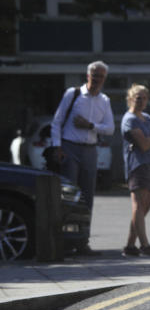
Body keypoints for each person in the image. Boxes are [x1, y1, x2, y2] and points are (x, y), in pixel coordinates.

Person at [49, 61, 115, 256]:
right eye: (94, 75)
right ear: (88, 76)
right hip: (70, 148)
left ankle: (82, 241)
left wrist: (90, 125)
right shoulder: (73, 94)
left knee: (87, 198)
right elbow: (57, 122)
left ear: (104, 79)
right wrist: (57, 147)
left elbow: (110, 128)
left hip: (90, 151)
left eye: (100, 76)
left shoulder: (104, 100)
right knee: (69, 195)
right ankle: (65, 241)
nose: (96, 80)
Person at [121, 84, 150, 257]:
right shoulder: (129, 119)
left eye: (144, 98)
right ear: (130, 98)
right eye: (137, 97)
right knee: (138, 205)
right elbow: (144, 145)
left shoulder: (147, 118)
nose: (140, 101)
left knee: (145, 207)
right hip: (137, 165)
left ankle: (130, 246)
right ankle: (145, 245)